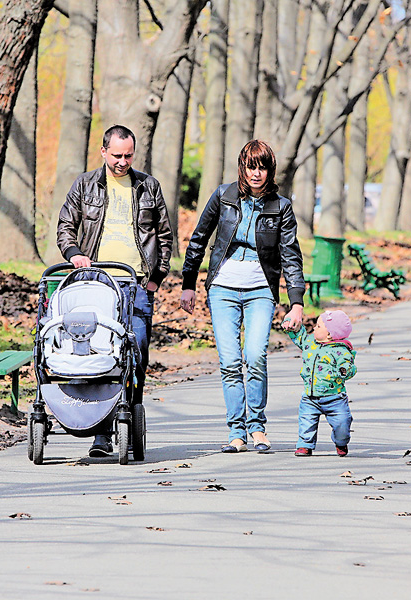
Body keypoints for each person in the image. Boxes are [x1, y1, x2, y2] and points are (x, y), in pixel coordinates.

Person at [180, 140, 305, 453]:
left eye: (262, 167)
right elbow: (199, 238)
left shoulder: (281, 206)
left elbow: (290, 254)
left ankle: (257, 428)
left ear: (270, 170)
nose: (256, 173)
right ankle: (236, 432)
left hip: (261, 289)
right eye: (251, 166)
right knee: (231, 361)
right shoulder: (224, 196)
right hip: (223, 287)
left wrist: (297, 302)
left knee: (255, 356)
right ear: (242, 167)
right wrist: (188, 283)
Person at [56, 124, 173, 457]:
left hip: (135, 285)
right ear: (103, 151)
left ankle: (128, 420)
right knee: (100, 357)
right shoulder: (84, 185)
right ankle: (102, 435)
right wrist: (75, 254)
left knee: (136, 357)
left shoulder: (148, 186)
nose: (123, 162)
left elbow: (164, 236)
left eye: (129, 155)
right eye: (117, 155)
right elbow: (65, 226)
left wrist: (155, 278)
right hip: (95, 284)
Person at [283, 310, 357, 457]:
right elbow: (301, 337)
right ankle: (305, 445)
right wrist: (293, 328)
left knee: (342, 424)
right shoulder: (310, 342)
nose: (314, 328)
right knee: (306, 422)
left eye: (318, 326)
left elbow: (349, 366)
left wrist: (344, 370)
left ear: (329, 334)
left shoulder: (341, 351)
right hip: (310, 397)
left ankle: (341, 442)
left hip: (335, 398)